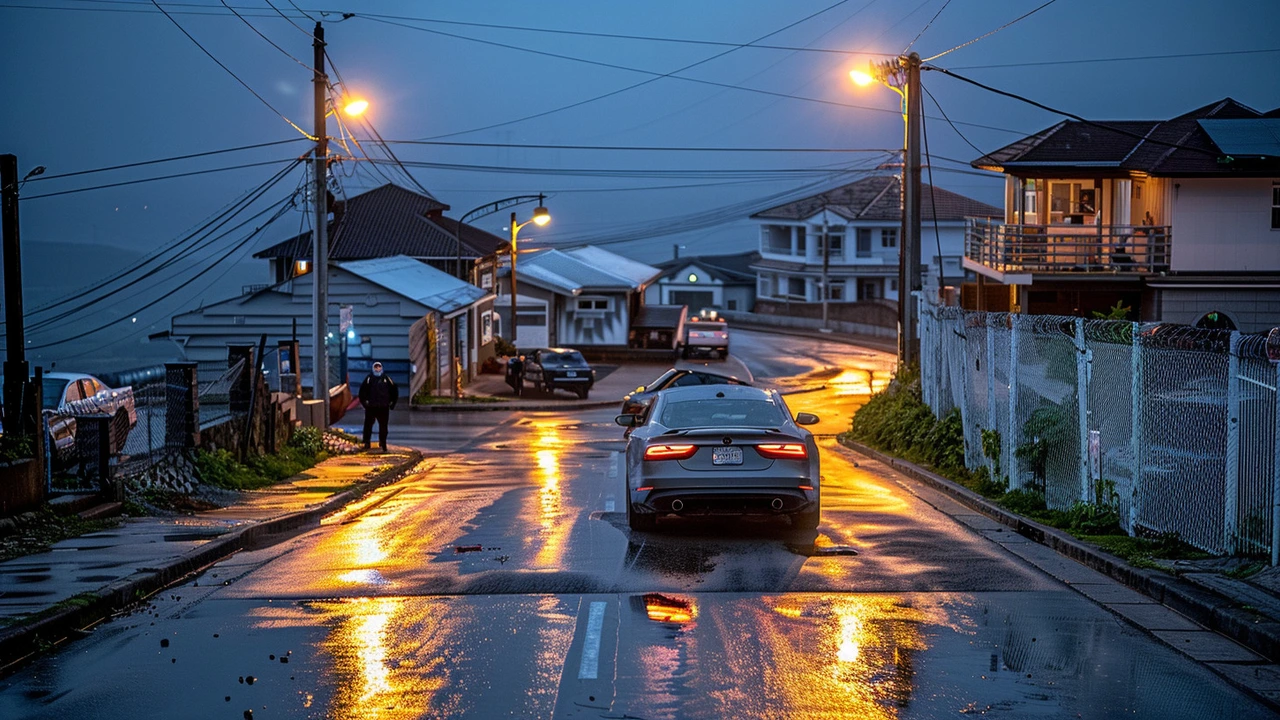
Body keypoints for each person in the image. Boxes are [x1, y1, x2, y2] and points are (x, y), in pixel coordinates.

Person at [358, 361, 398, 451]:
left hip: (383, 407)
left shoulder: (387, 379)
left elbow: (394, 391)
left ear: (381, 368)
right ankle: (366, 442)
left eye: (379, 367)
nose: (377, 369)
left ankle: (383, 442)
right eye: (376, 367)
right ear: (373, 368)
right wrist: (365, 404)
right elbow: (362, 392)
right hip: (371, 407)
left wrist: (392, 403)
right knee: (368, 425)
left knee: (383, 426)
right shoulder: (368, 379)